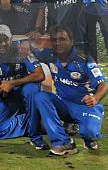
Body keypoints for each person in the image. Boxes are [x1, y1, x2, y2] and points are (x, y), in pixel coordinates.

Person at [32, 25, 107, 154]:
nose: (58, 43)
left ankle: (89, 137)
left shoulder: (84, 59)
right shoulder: (49, 55)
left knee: (89, 132)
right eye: (54, 40)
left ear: (71, 41)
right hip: (64, 106)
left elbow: (103, 83)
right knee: (41, 96)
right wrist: (26, 45)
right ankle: (63, 142)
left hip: (86, 107)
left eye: (62, 39)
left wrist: (95, 98)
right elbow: (31, 50)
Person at [0, 25, 46, 149]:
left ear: (11, 39)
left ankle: (35, 135)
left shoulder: (22, 51)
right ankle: (33, 122)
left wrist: (12, 83)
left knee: (31, 89)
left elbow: (40, 75)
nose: (3, 43)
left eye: (5, 40)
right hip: (5, 96)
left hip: (24, 92)